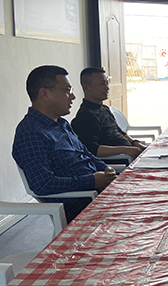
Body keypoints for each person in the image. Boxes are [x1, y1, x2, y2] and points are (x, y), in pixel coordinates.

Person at [12, 65, 116, 223]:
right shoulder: (31, 133)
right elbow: (43, 184)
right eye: (67, 90)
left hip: (98, 191)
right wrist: (92, 180)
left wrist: (105, 168)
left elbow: (85, 153)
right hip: (81, 204)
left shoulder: (61, 124)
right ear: (45, 94)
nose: (72, 96)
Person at [71, 67, 146, 160]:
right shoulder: (86, 115)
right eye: (102, 84)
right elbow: (91, 149)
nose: (107, 88)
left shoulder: (104, 108)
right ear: (86, 87)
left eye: (107, 83)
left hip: (130, 153)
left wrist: (135, 142)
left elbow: (119, 132)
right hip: (120, 161)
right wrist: (125, 150)